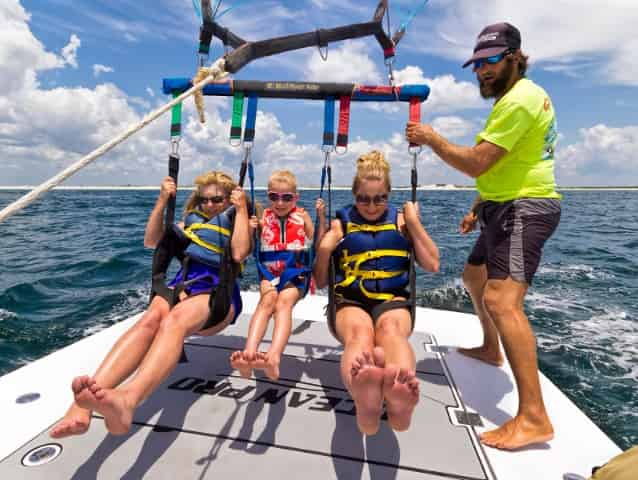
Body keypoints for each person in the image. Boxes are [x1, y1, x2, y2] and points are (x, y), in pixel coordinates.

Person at [406, 22, 561, 450]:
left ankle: (534, 418)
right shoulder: (517, 98)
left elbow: (477, 161)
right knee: (475, 276)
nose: (482, 71)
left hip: (524, 207)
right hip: (501, 205)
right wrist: (478, 206)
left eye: (491, 61)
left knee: (501, 300)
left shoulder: (520, 101)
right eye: (476, 64)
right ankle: (491, 348)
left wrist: (431, 138)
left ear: (515, 55)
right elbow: (502, 164)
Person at [50, 171, 251, 437]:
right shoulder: (192, 222)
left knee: (175, 320)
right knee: (149, 320)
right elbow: (151, 241)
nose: (210, 205)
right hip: (183, 284)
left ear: (229, 199)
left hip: (219, 293)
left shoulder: (242, 220)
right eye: (204, 200)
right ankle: (81, 408)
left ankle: (128, 399)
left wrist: (242, 209)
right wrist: (161, 201)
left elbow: (238, 253)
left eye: (217, 200)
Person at [313, 150, 439, 435]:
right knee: (360, 334)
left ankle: (398, 396)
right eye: (363, 199)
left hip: (392, 300)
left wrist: (414, 223)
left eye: (379, 198)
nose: (371, 206)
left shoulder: (401, 221)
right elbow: (320, 282)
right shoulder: (341, 224)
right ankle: (364, 395)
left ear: (389, 195)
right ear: (354, 195)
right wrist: (323, 249)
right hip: (351, 300)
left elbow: (432, 264)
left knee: (390, 330)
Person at [231, 170, 326, 380]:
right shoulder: (263, 218)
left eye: (286, 198)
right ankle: (249, 353)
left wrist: (320, 217)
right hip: (269, 273)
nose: (280, 203)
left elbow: (318, 243)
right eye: (274, 197)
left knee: (283, 303)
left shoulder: (302, 216)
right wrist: (249, 229)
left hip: (296, 274)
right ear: (268, 196)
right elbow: (250, 247)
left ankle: (273, 356)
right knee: (266, 302)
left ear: (296, 198)